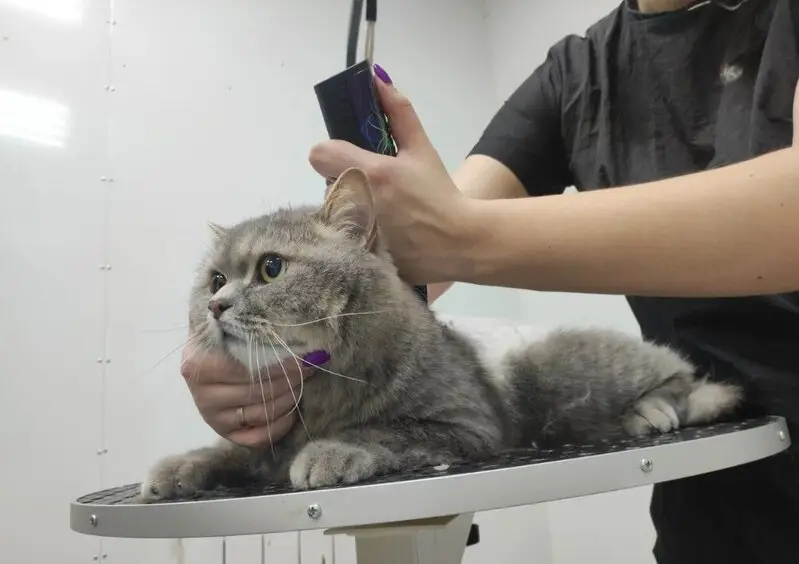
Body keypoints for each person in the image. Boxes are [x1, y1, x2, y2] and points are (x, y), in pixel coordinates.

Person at [182, 0, 798, 562]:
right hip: (706, 484)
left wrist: (459, 236)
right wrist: (225, 354)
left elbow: (452, 233)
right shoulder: (579, 71)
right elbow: (422, 247)